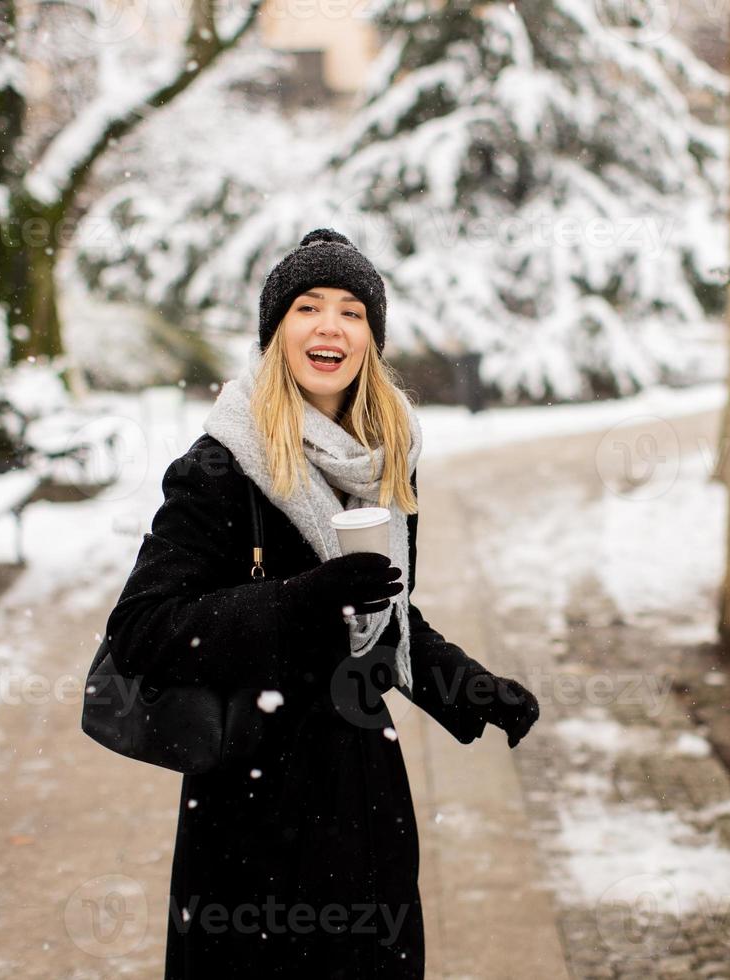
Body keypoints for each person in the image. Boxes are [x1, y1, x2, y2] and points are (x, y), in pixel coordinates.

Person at [103, 228, 541, 979]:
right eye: (307, 307)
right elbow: (142, 630)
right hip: (249, 805)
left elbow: (390, 616)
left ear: (371, 337)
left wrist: (470, 690)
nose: (330, 326)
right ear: (277, 333)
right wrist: (297, 601)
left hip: (362, 793)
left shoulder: (384, 460)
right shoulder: (219, 466)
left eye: (352, 311)